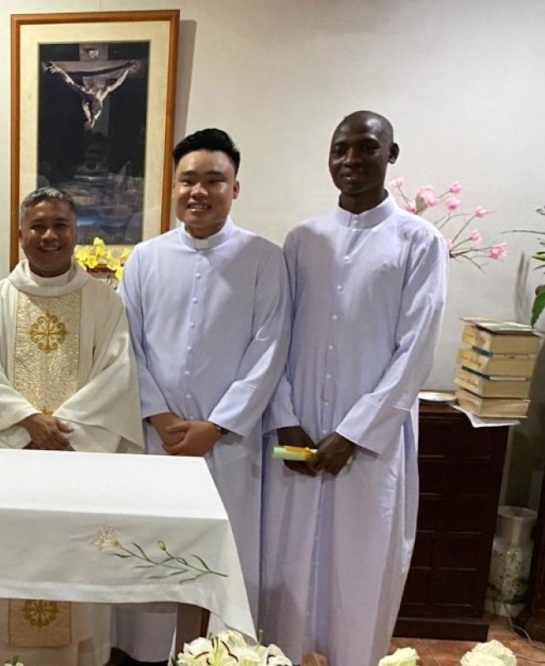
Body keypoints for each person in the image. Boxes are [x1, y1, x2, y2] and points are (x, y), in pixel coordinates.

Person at [259, 111, 448, 666]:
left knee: (361, 574)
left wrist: (355, 433)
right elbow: (276, 336)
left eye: (366, 148)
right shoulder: (302, 239)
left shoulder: (419, 241)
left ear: (391, 154)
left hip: (369, 446)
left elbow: (416, 350)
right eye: (340, 149)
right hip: (297, 437)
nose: (350, 160)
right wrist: (285, 417)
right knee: (288, 569)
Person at [113, 128, 290, 665]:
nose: (198, 191)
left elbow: (269, 349)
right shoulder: (145, 258)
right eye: (187, 179)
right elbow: (127, 345)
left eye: (214, 180)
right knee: (151, 546)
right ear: (173, 186)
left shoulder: (264, 259)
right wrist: (158, 414)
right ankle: (147, 654)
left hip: (228, 445)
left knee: (221, 558)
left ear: (235, 188)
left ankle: (217, 656)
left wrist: (217, 425)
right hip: (158, 440)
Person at [0, 186, 144, 666]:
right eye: (37, 226)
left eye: (60, 225)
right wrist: (27, 421)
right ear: (20, 233)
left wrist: (60, 430)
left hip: (78, 463)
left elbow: (116, 376)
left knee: (77, 562)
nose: (49, 235)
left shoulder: (104, 303)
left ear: (76, 232)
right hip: (12, 465)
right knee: (9, 562)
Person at [44, 60, 139, 130]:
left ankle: (89, 122)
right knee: (100, 90)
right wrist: (127, 69)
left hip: (89, 101)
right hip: (94, 101)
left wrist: (59, 70)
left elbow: (70, 82)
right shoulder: (100, 95)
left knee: (82, 90)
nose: (92, 91)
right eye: (92, 93)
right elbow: (117, 83)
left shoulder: (85, 95)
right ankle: (90, 122)